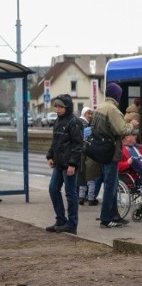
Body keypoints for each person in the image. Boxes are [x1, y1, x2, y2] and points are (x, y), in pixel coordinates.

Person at [93, 83, 139, 228]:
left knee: (110, 184)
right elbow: (121, 129)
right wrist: (132, 125)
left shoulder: (99, 108)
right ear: (116, 95)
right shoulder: (112, 109)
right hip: (111, 152)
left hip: (101, 151)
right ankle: (106, 219)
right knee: (111, 186)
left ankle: (115, 216)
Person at [45, 94, 84, 235]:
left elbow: (78, 145)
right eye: (56, 106)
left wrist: (73, 164)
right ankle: (60, 220)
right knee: (53, 189)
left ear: (67, 107)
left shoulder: (74, 122)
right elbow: (55, 141)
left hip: (69, 165)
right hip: (59, 163)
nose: (57, 109)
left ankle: (72, 224)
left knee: (70, 194)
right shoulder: (58, 121)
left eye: (60, 107)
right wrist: (50, 155)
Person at [77, 107, 93, 205]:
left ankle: (81, 197)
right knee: (89, 177)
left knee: (82, 176)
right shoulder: (84, 124)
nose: (90, 116)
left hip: (81, 154)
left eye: (91, 114)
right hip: (84, 154)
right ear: (84, 114)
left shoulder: (83, 123)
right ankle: (89, 198)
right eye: (88, 114)